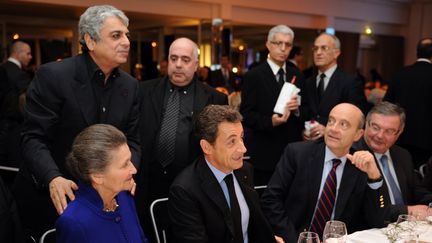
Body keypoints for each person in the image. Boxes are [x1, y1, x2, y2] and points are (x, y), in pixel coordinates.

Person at [13, 5, 140, 239]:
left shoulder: (130, 86)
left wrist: (128, 173)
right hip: (56, 197)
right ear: (90, 41)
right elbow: (33, 138)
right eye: (116, 35)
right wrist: (53, 177)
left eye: (127, 35)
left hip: (109, 198)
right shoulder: (53, 76)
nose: (126, 42)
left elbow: (132, 138)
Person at [136, 37, 227, 239]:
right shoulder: (143, 91)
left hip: (192, 187)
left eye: (185, 60)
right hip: (148, 182)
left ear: (195, 64)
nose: (178, 65)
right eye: (173, 58)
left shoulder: (214, 98)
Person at [261, 103, 387, 242]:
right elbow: (270, 200)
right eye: (331, 121)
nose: (333, 129)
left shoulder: (361, 164)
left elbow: (378, 219)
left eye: (343, 124)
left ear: (358, 134)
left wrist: (374, 176)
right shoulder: (298, 154)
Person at [169, 105, 277, 243]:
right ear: (206, 147)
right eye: (232, 141)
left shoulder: (244, 170)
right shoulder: (184, 191)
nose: (243, 149)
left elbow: (253, 226)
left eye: (241, 138)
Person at [56, 124, 148, 243]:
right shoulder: (74, 223)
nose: (134, 169)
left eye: (130, 160)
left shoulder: (124, 196)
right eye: (125, 164)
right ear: (97, 176)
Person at [240, 24, 304, 186]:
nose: (283, 49)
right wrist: (270, 122)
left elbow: (307, 110)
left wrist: (297, 110)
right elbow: (246, 114)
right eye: (278, 43)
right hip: (265, 151)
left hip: (292, 150)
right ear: (268, 44)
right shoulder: (254, 75)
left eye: (288, 45)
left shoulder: (296, 74)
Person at [353, 101, 432, 222]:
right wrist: (407, 210)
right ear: (366, 125)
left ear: (399, 133)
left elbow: (416, 190)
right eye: (375, 127)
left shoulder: (402, 155)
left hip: (406, 228)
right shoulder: (354, 155)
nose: (380, 135)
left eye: (389, 131)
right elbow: (363, 207)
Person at [301, 33, 367, 141]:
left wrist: (327, 129)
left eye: (324, 48)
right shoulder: (308, 82)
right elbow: (306, 113)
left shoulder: (350, 82)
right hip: (310, 145)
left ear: (336, 53)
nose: (318, 52)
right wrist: (304, 130)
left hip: (337, 144)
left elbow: (357, 117)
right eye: (315, 48)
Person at [384, 37, 432, 168]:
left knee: (399, 171)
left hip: (399, 135)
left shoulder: (400, 73)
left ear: (417, 53)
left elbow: (386, 104)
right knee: (421, 174)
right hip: (426, 138)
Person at [0, 41, 32, 106]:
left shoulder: (2, 67)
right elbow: (29, 100)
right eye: (28, 54)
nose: (30, 57)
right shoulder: (20, 75)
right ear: (18, 54)